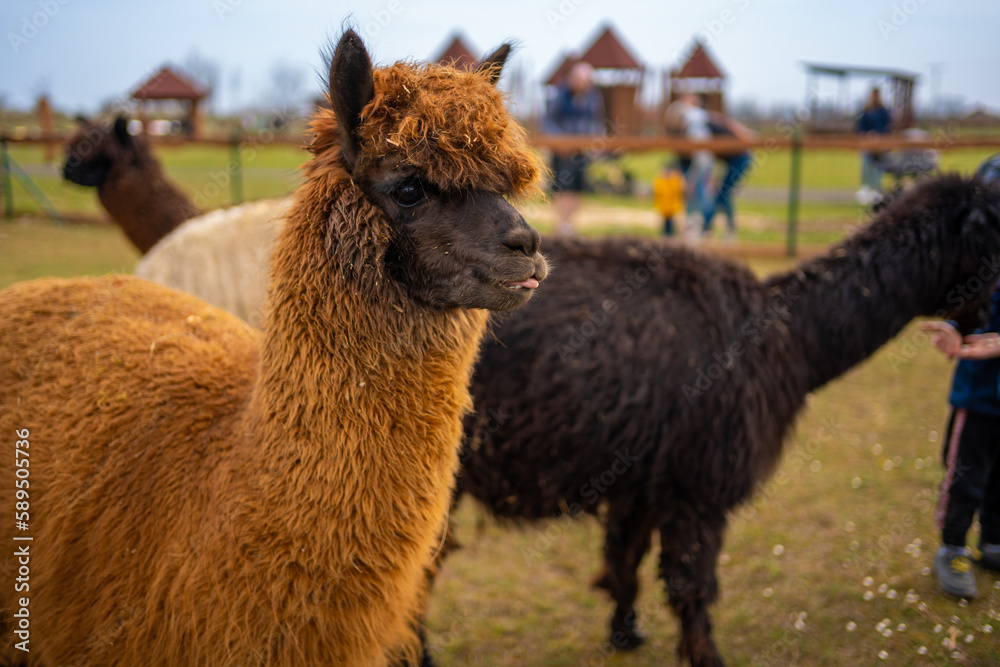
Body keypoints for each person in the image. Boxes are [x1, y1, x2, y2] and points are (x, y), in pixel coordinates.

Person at [920, 154, 1000, 599]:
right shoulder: (981, 268)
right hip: (980, 397)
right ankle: (952, 546)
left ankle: (993, 539)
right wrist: (955, 327)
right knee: (966, 475)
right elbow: (967, 314)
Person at [542, 62, 605, 236]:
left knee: (577, 186)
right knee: (563, 185)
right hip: (562, 151)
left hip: (582, 150)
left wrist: (595, 143)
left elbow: (597, 122)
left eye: (586, 81)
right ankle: (562, 223)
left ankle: (570, 224)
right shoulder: (561, 95)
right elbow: (549, 121)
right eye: (579, 80)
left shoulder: (593, 97)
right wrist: (560, 142)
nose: (582, 84)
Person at [665, 92, 714, 238]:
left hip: (701, 164)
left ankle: (703, 228)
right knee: (693, 196)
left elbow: (701, 159)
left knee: (700, 195)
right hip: (696, 163)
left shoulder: (693, 127)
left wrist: (691, 180)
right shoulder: (684, 129)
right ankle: (693, 227)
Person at [703, 112, 757, 239]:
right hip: (734, 161)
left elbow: (731, 126)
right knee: (722, 194)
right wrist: (714, 177)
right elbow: (717, 157)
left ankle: (712, 229)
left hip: (741, 158)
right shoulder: (711, 129)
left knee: (722, 194)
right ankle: (724, 229)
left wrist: (749, 137)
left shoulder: (711, 127)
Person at [856, 87, 892, 204]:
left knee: (877, 167)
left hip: (879, 145)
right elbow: (860, 126)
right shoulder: (866, 110)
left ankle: (876, 191)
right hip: (867, 144)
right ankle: (865, 189)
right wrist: (867, 134)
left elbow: (886, 127)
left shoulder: (883, 111)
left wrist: (878, 135)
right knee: (866, 166)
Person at [652, 162, 685, 236]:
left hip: (672, 207)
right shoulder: (660, 180)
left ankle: (669, 236)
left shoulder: (674, 180)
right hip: (664, 206)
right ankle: (666, 236)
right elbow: (657, 193)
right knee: (665, 224)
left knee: (671, 225)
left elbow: (678, 192)